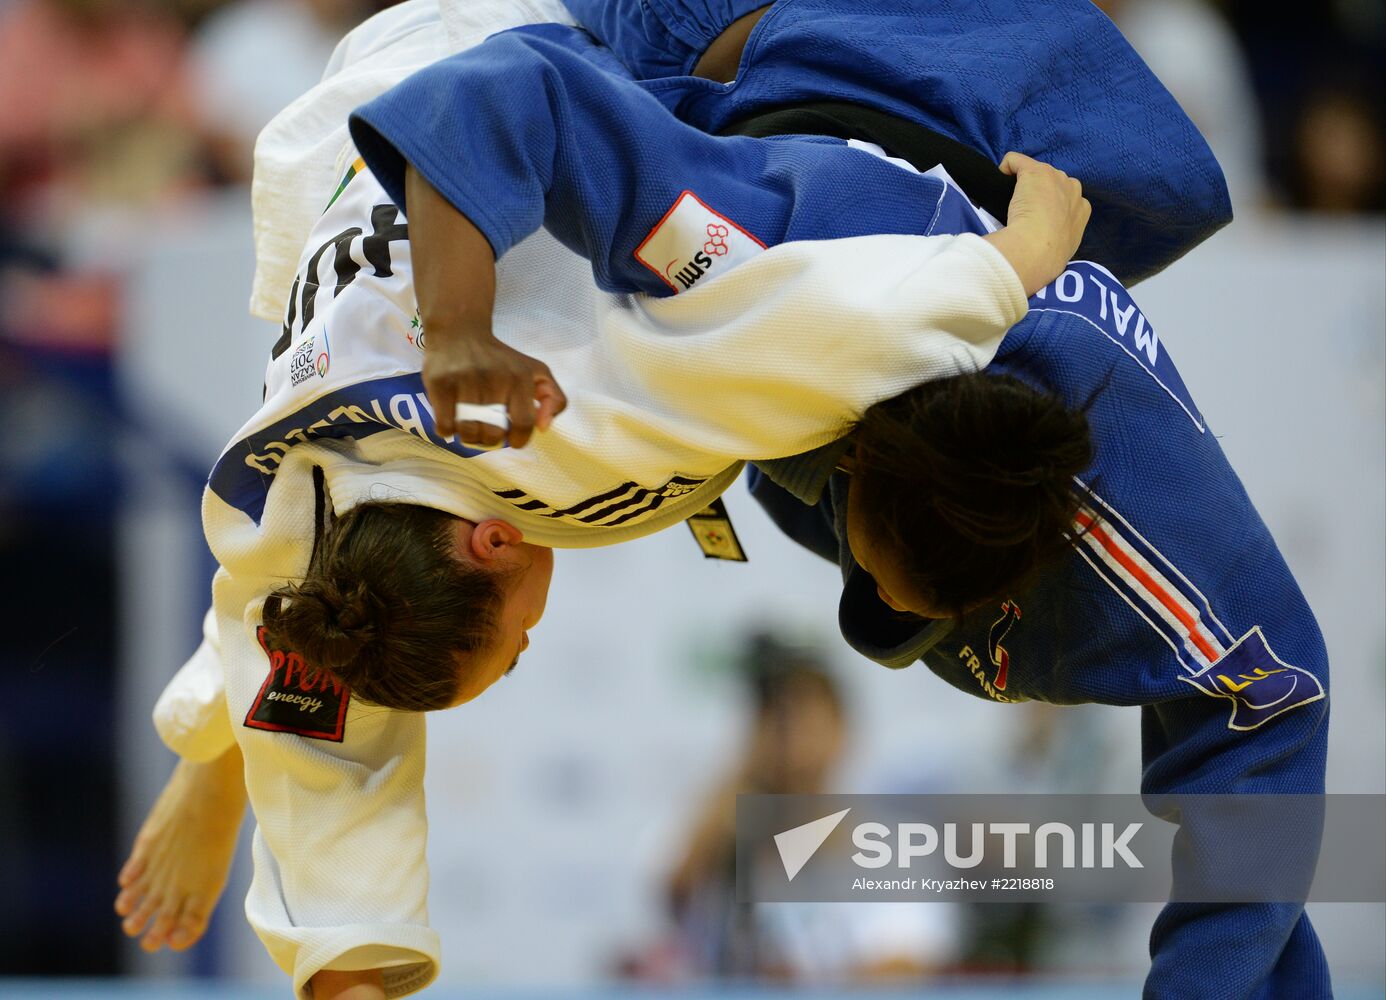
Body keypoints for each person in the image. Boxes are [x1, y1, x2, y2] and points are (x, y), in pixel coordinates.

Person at [340, 20, 1330, 999]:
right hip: (734, 38)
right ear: (854, 445)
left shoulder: (1151, 518)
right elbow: (501, 91)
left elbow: (1277, 709)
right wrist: (457, 329)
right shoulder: (759, 252)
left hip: (911, 190)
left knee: (1253, 783)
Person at [114, 29, 1090, 1000]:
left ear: (494, 540)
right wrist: (228, 771)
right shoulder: (303, 520)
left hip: (485, 47)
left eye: (520, 636)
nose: (531, 639)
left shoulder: (567, 411)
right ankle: (228, 741)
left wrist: (1014, 261)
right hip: (335, 172)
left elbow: (833, 329)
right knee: (289, 652)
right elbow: (279, 634)